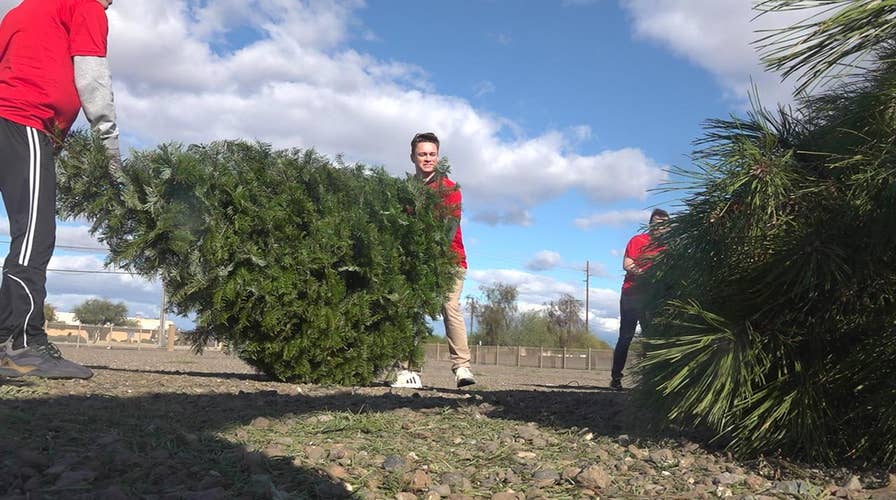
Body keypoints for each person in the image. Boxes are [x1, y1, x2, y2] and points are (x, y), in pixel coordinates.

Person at [0, 0, 122, 379]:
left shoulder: (23, 10)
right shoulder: (84, 5)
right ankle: (22, 345)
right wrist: (110, 150)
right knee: (35, 235)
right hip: (24, 117)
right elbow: (92, 76)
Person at [392, 132, 476, 389]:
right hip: (417, 260)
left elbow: (447, 231)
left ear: (438, 157)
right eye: (422, 154)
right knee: (410, 308)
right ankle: (407, 370)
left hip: (449, 260)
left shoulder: (450, 190)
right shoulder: (406, 192)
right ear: (412, 157)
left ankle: (462, 367)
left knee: (449, 305)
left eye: (432, 154)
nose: (427, 159)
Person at [610, 208, 668, 390]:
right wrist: (644, 274)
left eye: (664, 225)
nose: (660, 228)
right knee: (626, 336)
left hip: (653, 297)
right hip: (632, 295)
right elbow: (627, 263)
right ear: (650, 224)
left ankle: (649, 379)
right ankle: (616, 378)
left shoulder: (667, 248)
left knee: (651, 337)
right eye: (657, 224)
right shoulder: (638, 241)